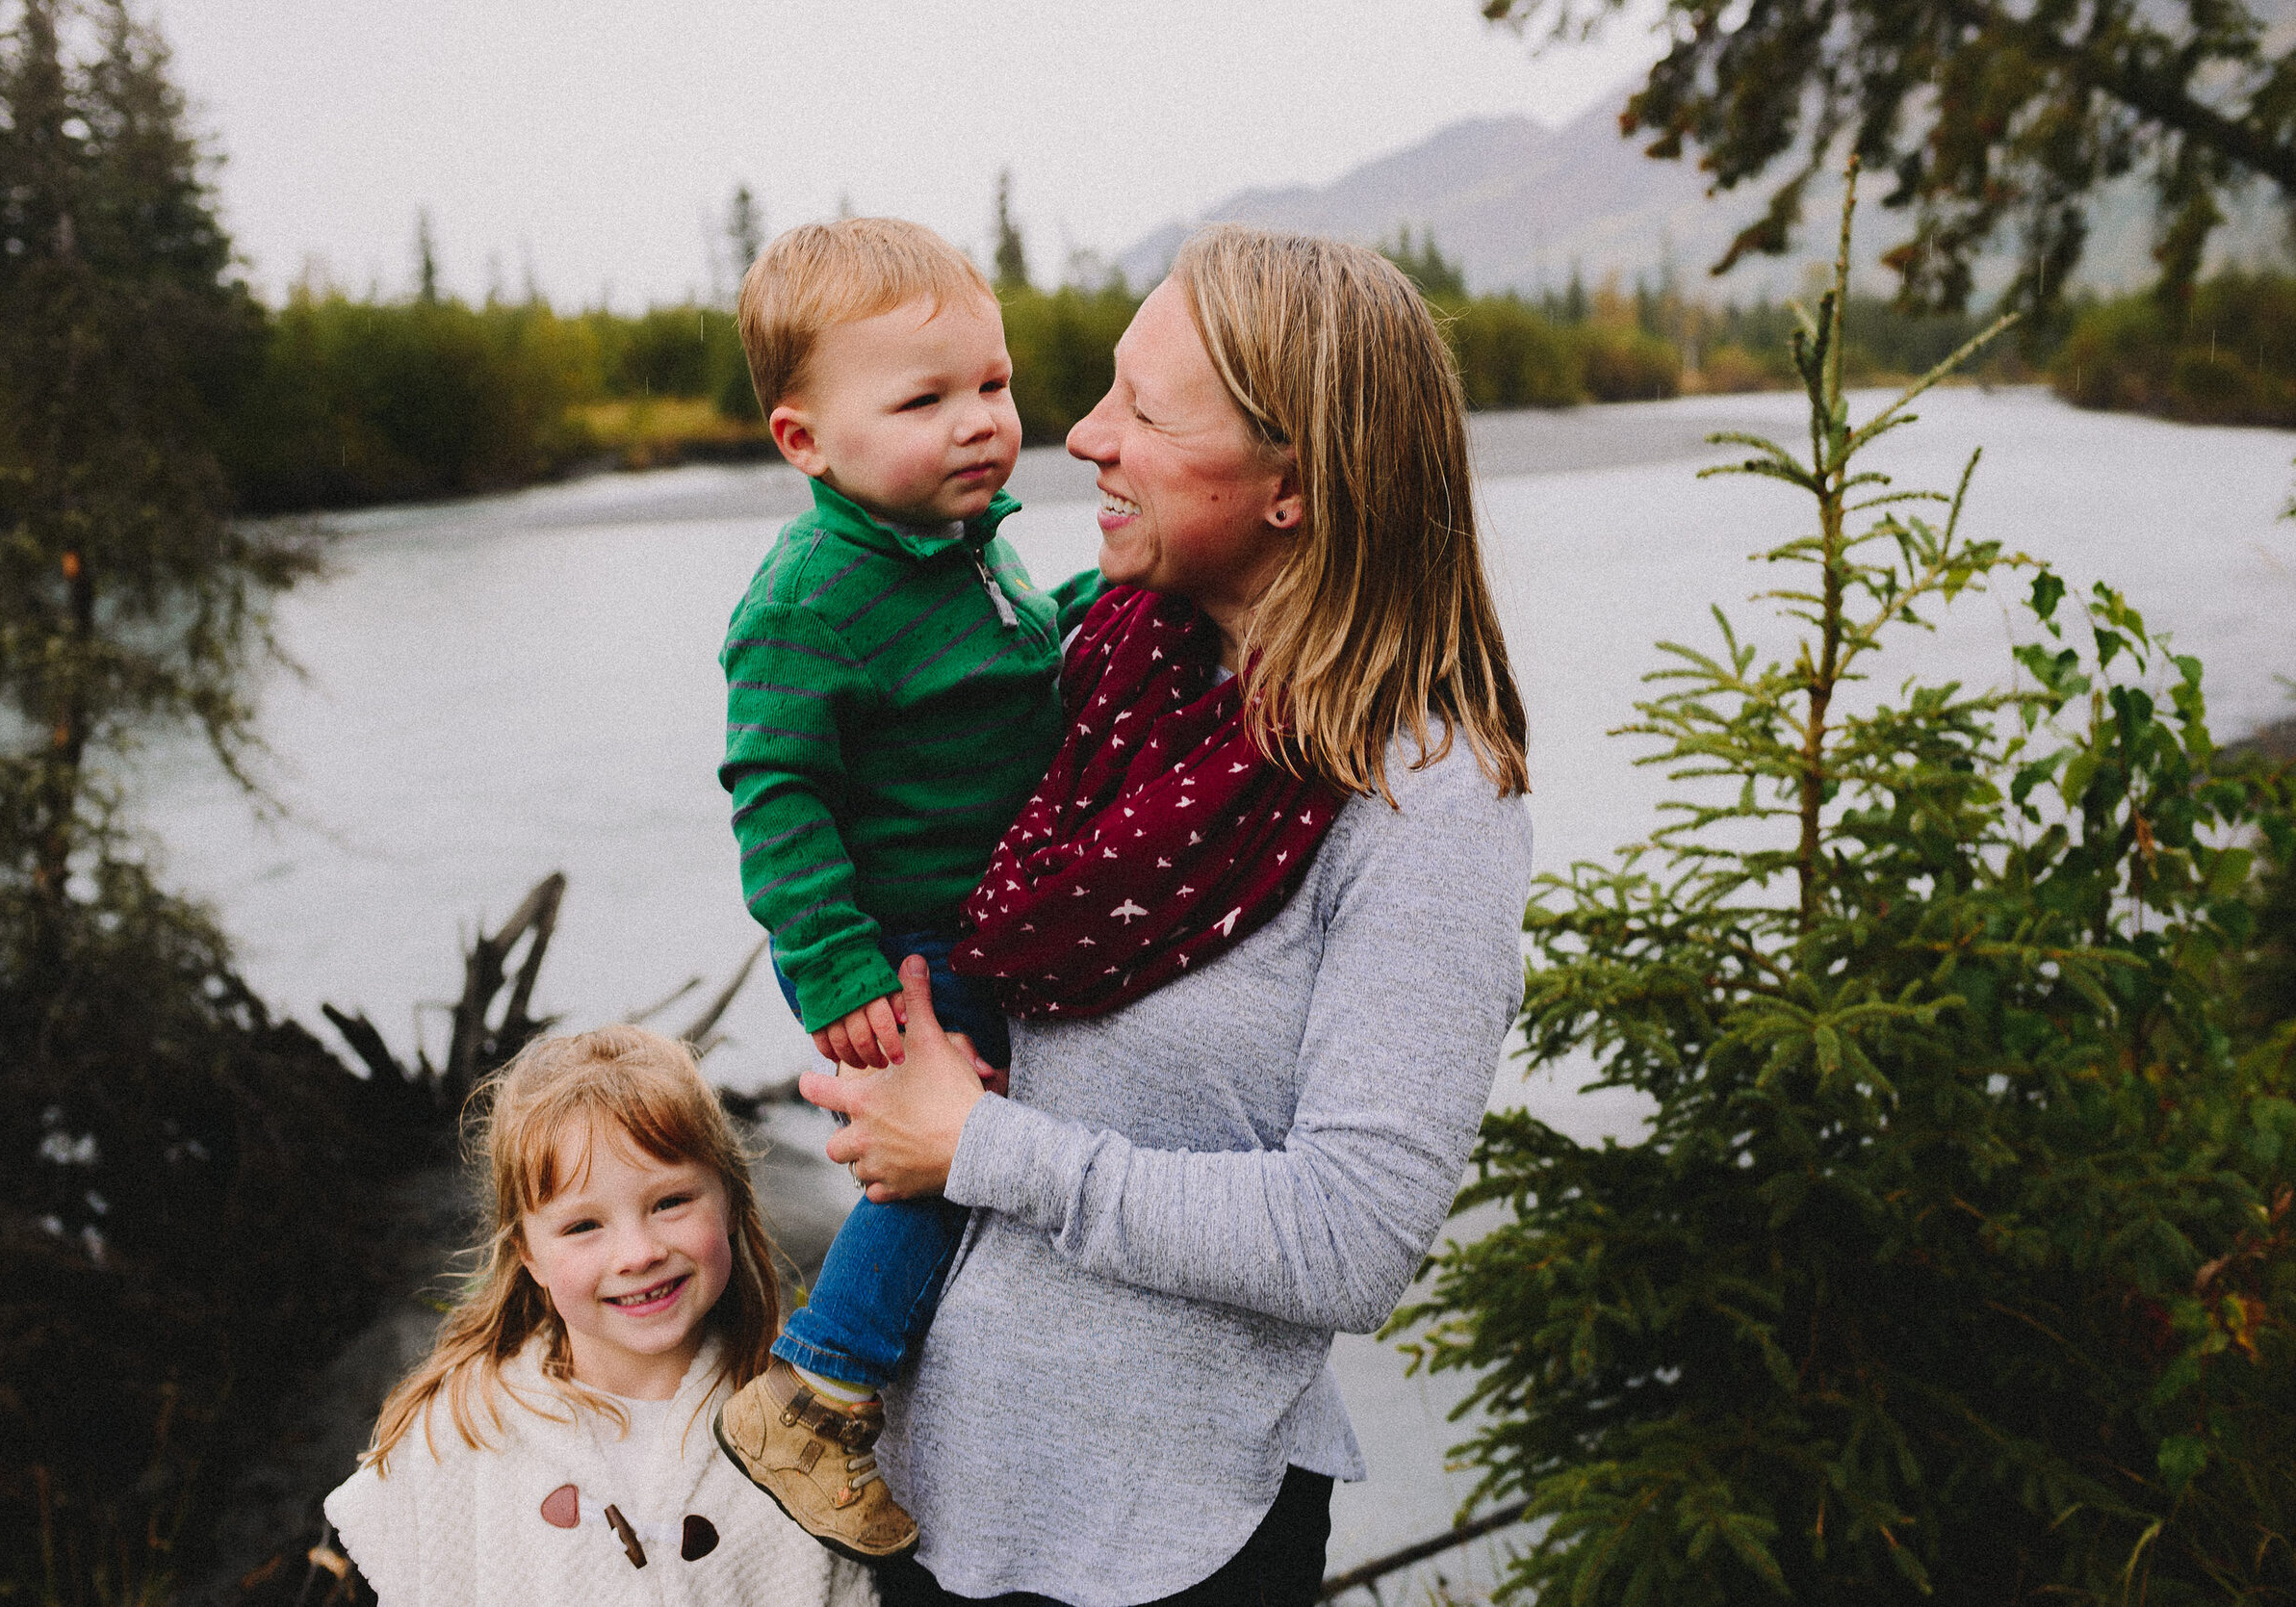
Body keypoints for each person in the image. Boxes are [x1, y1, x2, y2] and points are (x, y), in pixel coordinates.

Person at [803, 225, 1536, 1607]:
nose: (1082, 436)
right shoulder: (1094, 668)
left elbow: (1351, 1238)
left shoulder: (1426, 800)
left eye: (1143, 409)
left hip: (1171, 1543)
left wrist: (983, 1147)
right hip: (930, 1498)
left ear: (1293, 488)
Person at [709, 217, 1101, 1561]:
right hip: (913, 945)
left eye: (990, 385)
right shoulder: (812, 598)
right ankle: (820, 1384)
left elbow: (1024, 664)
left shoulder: (967, 546)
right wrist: (838, 968)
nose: (980, 423)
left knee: (985, 1145)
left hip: (989, 915)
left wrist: (1134, 592)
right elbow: (776, 793)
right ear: (804, 440)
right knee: (950, 1144)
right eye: (924, 399)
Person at [322, 1026, 874, 1607]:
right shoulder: (463, 1428)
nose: (638, 1254)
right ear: (528, 1253)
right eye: (584, 1226)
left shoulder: (802, 1427)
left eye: (670, 1202)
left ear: (731, 1201)